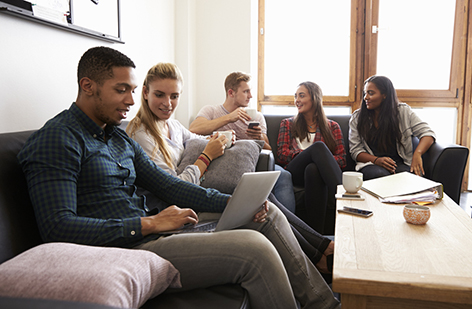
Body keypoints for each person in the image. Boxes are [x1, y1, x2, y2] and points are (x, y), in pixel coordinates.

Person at [17, 46, 340, 309]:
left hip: (152, 230)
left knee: (263, 214)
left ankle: (323, 303)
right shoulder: (57, 139)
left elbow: (169, 185)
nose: (131, 101)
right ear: (87, 86)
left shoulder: (116, 138)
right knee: (255, 249)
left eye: (132, 90)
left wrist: (237, 204)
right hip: (126, 248)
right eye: (121, 91)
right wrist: (149, 224)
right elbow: (57, 228)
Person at [127, 62, 334, 274]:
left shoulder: (173, 125)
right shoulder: (142, 136)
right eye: (160, 95)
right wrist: (207, 156)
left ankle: (322, 248)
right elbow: (173, 189)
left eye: (174, 96)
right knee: (263, 209)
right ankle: (319, 255)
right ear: (145, 92)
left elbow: (199, 138)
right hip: (177, 210)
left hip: (195, 195)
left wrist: (222, 140)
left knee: (265, 200)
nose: (168, 103)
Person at [189, 72, 296, 212]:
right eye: (246, 91)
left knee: (283, 175)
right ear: (231, 93)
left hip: (254, 163)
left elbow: (269, 150)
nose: (250, 96)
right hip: (221, 164)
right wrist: (229, 118)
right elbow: (193, 129)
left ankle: (285, 224)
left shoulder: (257, 116)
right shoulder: (211, 110)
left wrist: (259, 137)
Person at [277, 81, 346, 234]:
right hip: (295, 171)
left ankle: (318, 238)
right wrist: (309, 155)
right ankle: (345, 196)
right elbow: (282, 154)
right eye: (295, 96)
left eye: (302, 96)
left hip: (315, 174)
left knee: (313, 169)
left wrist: (319, 161)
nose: (297, 100)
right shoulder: (287, 124)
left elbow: (342, 159)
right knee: (319, 148)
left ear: (314, 98)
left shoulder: (332, 127)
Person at [349, 75, 436, 180]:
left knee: (410, 178)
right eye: (365, 93)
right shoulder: (357, 118)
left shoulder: (403, 112)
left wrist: (417, 154)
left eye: (371, 93)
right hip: (371, 164)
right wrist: (377, 160)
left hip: (400, 164)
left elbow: (427, 134)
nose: (365, 97)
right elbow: (355, 151)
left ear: (384, 94)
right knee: (380, 176)